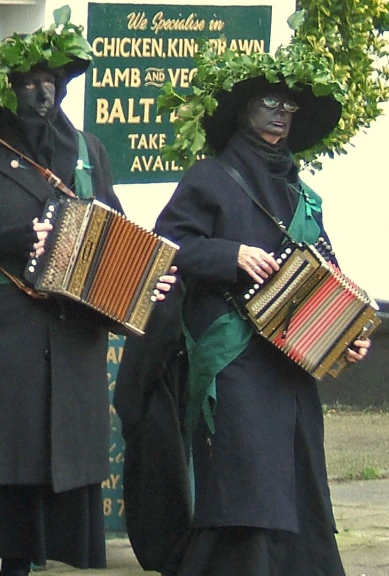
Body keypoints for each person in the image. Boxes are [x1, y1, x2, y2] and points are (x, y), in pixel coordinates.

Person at [0, 10, 174, 576]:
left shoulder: (85, 151)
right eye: (29, 84)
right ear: (6, 88)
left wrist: (144, 273)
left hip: (64, 346)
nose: (42, 95)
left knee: (35, 488)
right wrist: (4, 239)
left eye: (52, 83)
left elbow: (110, 226)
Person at [130, 66, 372, 574]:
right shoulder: (209, 178)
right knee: (246, 479)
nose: (280, 117)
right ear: (242, 111)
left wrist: (348, 337)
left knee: (297, 473)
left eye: (288, 109)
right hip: (231, 354)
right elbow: (167, 247)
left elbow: (327, 273)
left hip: (291, 360)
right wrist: (232, 254)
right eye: (269, 104)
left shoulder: (301, 193)